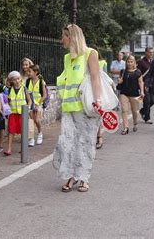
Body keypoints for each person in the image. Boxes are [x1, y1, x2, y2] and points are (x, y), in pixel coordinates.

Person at [53, 24, 101, 193]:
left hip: (86, 108)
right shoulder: (68, 58)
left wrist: (98, 101)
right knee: (67, 143)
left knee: (85, 142)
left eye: (63, 36)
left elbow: (95, 78)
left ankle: (83, 177)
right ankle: (71, 175)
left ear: (71, 37)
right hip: (69, 108)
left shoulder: (90, 53)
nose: (62, 40)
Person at [4, 71, 32, 156]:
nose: (17, 81)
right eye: (14, 79)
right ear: (11, 80)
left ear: (20, 79)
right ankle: (8, 149)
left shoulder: (24, 89)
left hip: (22, 113)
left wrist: (28, 108)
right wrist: (7, 111)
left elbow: (29, 100)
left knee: (23, 131)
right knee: (11, 131)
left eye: (18, 78)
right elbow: (7, 102)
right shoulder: (9, 90)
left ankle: (22, 148)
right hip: (12, 113)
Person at [117, 55, 144, 134]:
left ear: (134, 63)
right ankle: (126, 128)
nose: (129, 63)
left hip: (134, 94)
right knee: (124, 110)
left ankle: (135, 123)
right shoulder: (123, 71)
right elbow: (120, 81)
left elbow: (140, 82)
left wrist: (142, 91)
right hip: (124, 93)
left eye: (131, 62)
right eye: (128, 62)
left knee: (134, 111)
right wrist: (119, 82)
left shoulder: (138, 72)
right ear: (126, 62)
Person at [25, 64, 47, 145]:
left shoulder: (41, 82)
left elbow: (44, 95)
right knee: (30, 121)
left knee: (37, 120)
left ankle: (40, 133)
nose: (28, 73)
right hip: (31, 103)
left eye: (29, 71)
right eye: (27, 71)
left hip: (38, 103)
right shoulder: (27, 82)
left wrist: (38, 104)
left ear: (36, 72)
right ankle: (31, 139)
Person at [20, 57, 36, 147]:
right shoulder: (20, 76)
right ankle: (26, 136)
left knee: (30, 118)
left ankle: (31, 138)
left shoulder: (32, 76)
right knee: (23, 119)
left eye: (27, 64)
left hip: (30, 97)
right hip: (22, 98)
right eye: (23, 65)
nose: (25, 67)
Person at [137, 47, 154, 124]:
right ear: (146, 52)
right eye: (150, 52)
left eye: (152, 52)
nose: (151, 54)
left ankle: (143, 111)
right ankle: (147, 118)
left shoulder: (153, 62)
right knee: (147, 101)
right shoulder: (141, 62)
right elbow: (138, 74)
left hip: (152, 84)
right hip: (144, 84)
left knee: (153, 100)